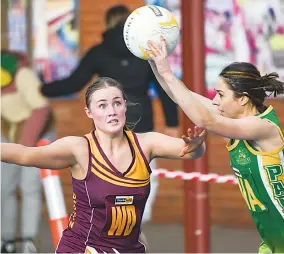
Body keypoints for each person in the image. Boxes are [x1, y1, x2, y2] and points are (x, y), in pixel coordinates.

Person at [1, 77, 205, 253]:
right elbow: (25, 155)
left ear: (125, 105)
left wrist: (196, 145)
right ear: (89, 112)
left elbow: (190, 151)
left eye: (117, 103)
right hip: (83, 248)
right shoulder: (79, 148)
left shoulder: (146, 143)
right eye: (102, 105)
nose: (112, 111)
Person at [41, 4, 180, 225]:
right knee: (144, 172)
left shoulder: (99, 52)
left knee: (109, 172)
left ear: (107, 24)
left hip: (109, 123)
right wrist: (172, 122)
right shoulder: (143, 53)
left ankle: (114, 220)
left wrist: (41, 88)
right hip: (141, 120)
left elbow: (74, 83)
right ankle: (137, 221)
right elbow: (164, 89)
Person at [147, 37, 284, 253]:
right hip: (272, 243)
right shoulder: (234, 121)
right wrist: (153, 62)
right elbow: (179, 96)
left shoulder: (262, 127)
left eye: (220, 95)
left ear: (243, 99)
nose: (215, 101)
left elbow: (205, 121)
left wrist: (166, 72)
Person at [1, 50, 56, 253]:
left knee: (29, 187)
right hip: (10, 133)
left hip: (38, 133)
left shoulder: (22, 75)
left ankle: (27, 242)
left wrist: (25, 149)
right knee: (4, 188)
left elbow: (41, 109)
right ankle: (5, 240)